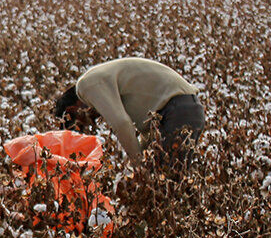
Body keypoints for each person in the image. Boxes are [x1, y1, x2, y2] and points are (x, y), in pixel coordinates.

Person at [53, 57, 204, 166]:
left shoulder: (85, 85)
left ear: (73, 109)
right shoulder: (104, 81)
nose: (90, 125)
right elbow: (146, 132)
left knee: (166, 180)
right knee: (166, 179)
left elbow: (122, 123)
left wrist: (138, 166)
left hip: (177, 112)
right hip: (187, 110)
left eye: (80, 125)